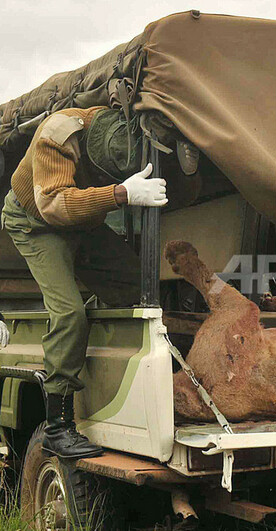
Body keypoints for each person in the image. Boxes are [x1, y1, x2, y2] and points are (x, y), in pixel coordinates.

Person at [1, 106, 167, 459]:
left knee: (140, 286)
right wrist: (119, 194)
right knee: (69, 312)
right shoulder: (57, 136)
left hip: (82, 221)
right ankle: (58, 427)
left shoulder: (124, 123)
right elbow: (54, 205)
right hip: (37, 222)